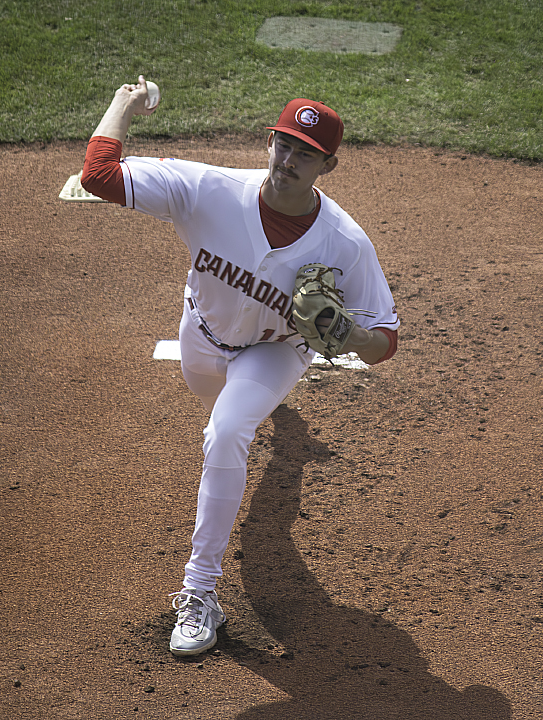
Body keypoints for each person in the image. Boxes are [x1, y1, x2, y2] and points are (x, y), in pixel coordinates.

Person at [80, 76, 400, 656]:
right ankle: (285, 442)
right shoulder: (209, 189)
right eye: (284, 145)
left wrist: (348, 332)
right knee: (220, 419)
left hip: (276, 350)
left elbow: (386, 341)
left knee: (226, 432)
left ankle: (199, 592)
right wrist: (122, 105)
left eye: (306, 153)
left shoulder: (346, 243)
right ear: (268, 143)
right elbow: (98, 176)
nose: (290, 160)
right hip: (201, 337)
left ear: (328, 165)